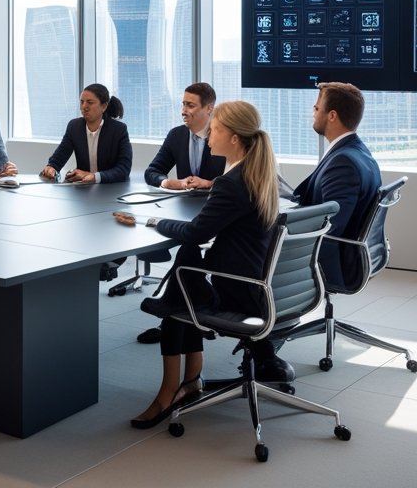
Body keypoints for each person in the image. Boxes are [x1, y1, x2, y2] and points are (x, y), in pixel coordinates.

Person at [112, 100, 280, 429]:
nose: (207, 137)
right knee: (185, 268)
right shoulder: (258, 173)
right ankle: (189, 381)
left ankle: (170, 390)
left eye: (214, 130)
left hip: (237, 291)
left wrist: (151, 221)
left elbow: (194, 231)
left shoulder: (232, 183)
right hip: (255, 284)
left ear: (234, 139)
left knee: (179, 290)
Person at [135, 82, 227, 344]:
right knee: (187, 249)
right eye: (182, 104)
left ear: (209, 109)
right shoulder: (177, 135)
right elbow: (152, 172)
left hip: (219, 213)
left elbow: (239, 175)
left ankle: (175, 313)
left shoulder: (225, 135)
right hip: (187, 210)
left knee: (188, 248)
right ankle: (183, 313)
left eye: (190, 105)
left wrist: (210, 183)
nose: (183, 111)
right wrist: (169, 182)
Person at [292, 81, 382, 291]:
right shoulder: (356, 151)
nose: (313, 112)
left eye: (316, 107)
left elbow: (330, 226)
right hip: (350, 255)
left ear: (331, 115)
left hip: (336, 264)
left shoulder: (344, 163)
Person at [40, 83, 132, 184]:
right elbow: (60, 155)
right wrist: (52, 167)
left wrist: (94, 177)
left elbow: (124, 169)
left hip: (110, 187)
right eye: (82, 102)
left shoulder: (119, 130)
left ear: (104, 106)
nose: (84, 107)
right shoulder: (74, 126)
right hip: (83, 188)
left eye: (90, 102)